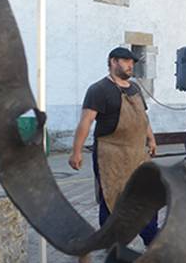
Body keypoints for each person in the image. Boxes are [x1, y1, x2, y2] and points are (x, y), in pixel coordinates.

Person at [68, 47, 159, 244]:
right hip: (110, 154)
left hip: (137, 154)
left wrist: (150, 139)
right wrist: (76, 152)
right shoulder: (98, 90)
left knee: (145, 197)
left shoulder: (135, 89)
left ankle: (152, 239)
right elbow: (86, 122)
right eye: (126, 61)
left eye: (132, 62)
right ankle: (112, 243)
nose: (130, 65)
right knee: (111, 199)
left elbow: (142, 118)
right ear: (113, 62)